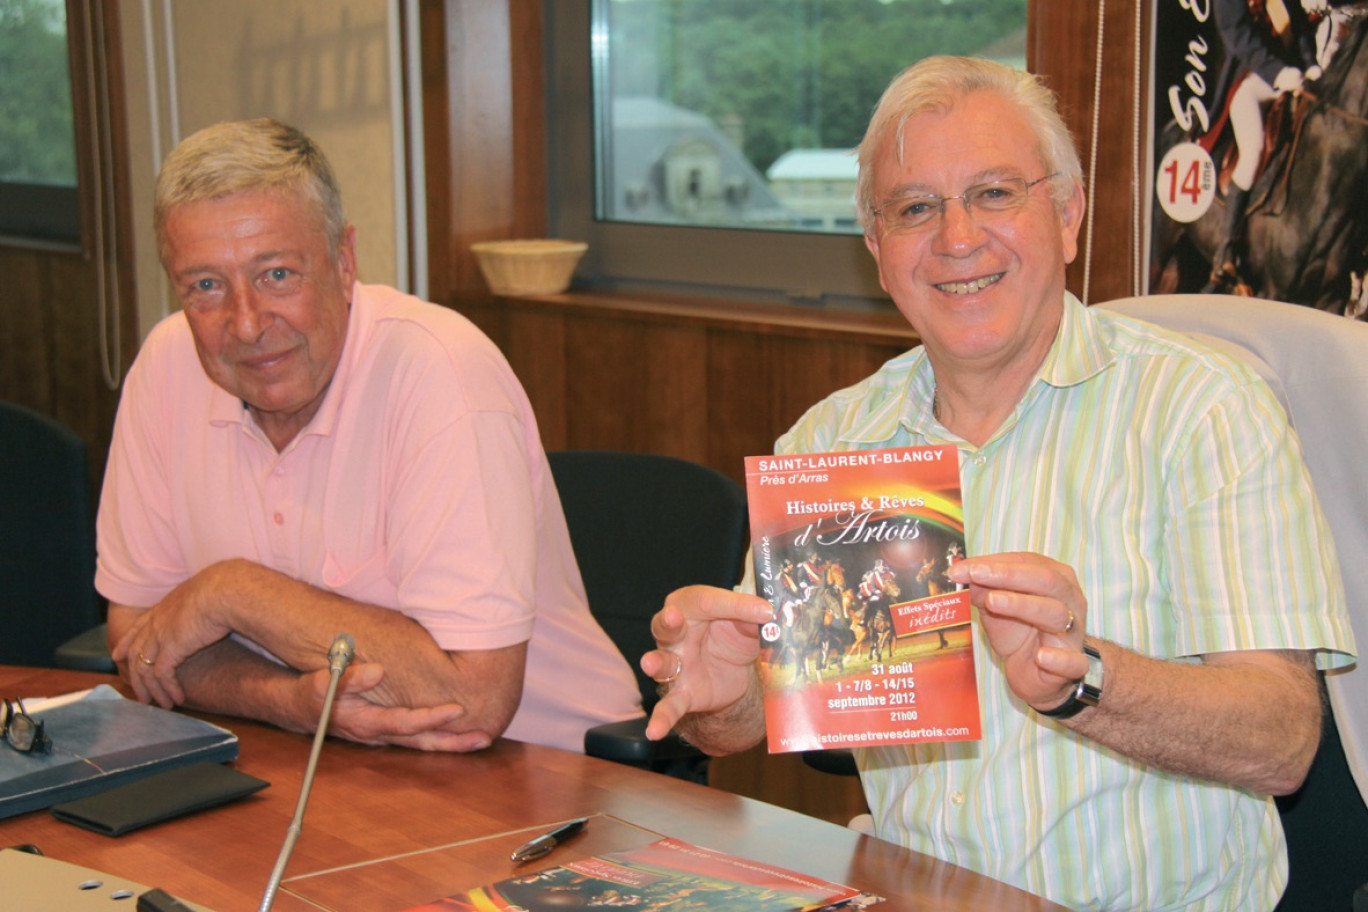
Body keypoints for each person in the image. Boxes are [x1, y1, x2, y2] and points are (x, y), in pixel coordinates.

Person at [641, 57, 1354, 911]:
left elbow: (1282, 740)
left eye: (994, 194)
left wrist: (1084, 679)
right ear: (876, 249)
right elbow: (764, 713)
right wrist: (721, 705)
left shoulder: (1204, 410)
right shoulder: (832, 440)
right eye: (914, 209)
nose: (956, 239)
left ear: (1068, 215)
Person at [95, 118, 642, 754]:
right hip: (327, 762)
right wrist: (284, 700)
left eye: (277, 274)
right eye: (206, 286)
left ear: (345, 261)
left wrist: (230, 593)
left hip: (546, 774)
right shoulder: (167, 365)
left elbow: (474, 702)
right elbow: (136, 643)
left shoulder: (440, 372)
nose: (245, 325)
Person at [1204, 0, 1325, 289]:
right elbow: (1238, 36)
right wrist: (1278, 72)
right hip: (1251, 81)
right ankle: (1227, 247)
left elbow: (1298, 27)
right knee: (1253, 149)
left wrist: (1311, 66)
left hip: (1294, 79)